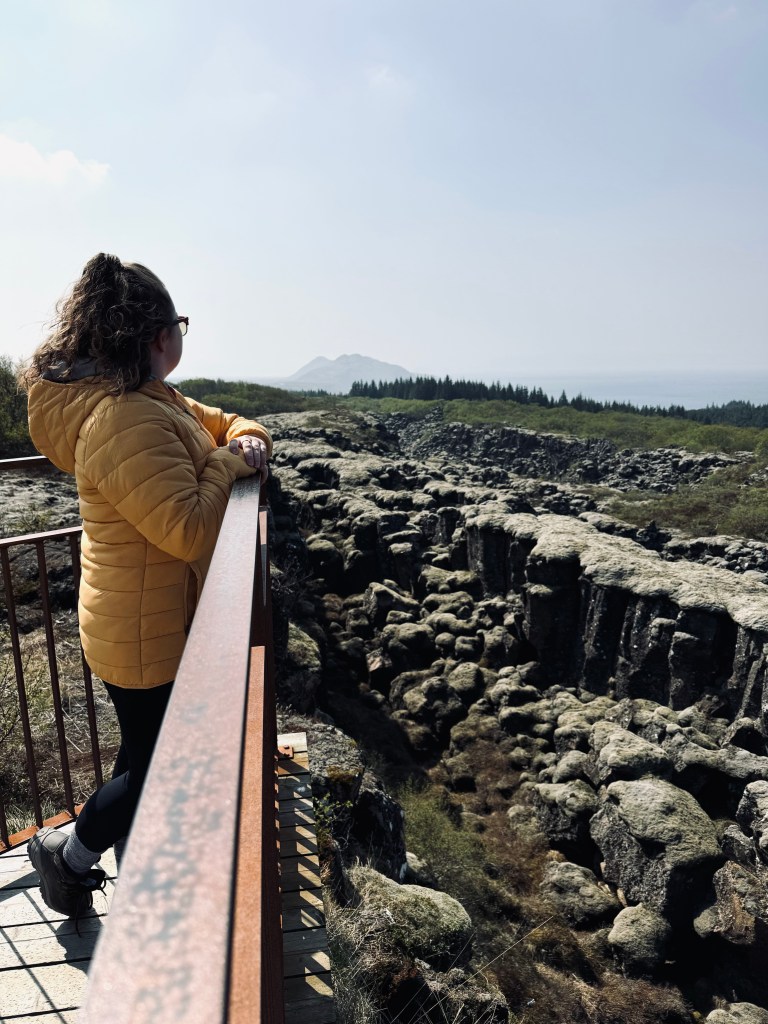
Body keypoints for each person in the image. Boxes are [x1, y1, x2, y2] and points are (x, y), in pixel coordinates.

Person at [18, 252, 272, 918]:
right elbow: (187, 529)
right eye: (180, 322)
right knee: (164, 768)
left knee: (145, 756)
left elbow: (219, 421)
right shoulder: (125, 417)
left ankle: (143, 868)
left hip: (151, 618)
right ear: (159, 335)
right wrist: (228, 464)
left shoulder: (153, 396)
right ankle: (68, 854)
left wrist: (243, 436)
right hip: (143, 634)